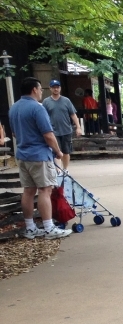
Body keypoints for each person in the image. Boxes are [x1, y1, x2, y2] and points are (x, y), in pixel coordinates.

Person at [8, 78, 72, 240]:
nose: (42, 92)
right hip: (39, 155)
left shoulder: (14, 108)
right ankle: (49, 228)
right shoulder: (38, 108)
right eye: (40, 89)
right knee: (45, 189)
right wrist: (58, 151)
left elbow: (14, 133)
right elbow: (48, 135)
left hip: (22, 154)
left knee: (28, 191)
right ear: (34, 90)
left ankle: (30, 227)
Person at [42, 79, 81, 170]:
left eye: (57, 87)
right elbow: (43, 116)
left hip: (66, 130)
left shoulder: (66, 100)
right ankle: (58, 170)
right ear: (50, 88)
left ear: (60, 88)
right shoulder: (46, 102)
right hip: (53, 131)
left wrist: (78, 127)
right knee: (56, 151)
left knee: (66, 151)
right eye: (53, 87)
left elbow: (73, 114)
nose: (56, 89)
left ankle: (65, 169)